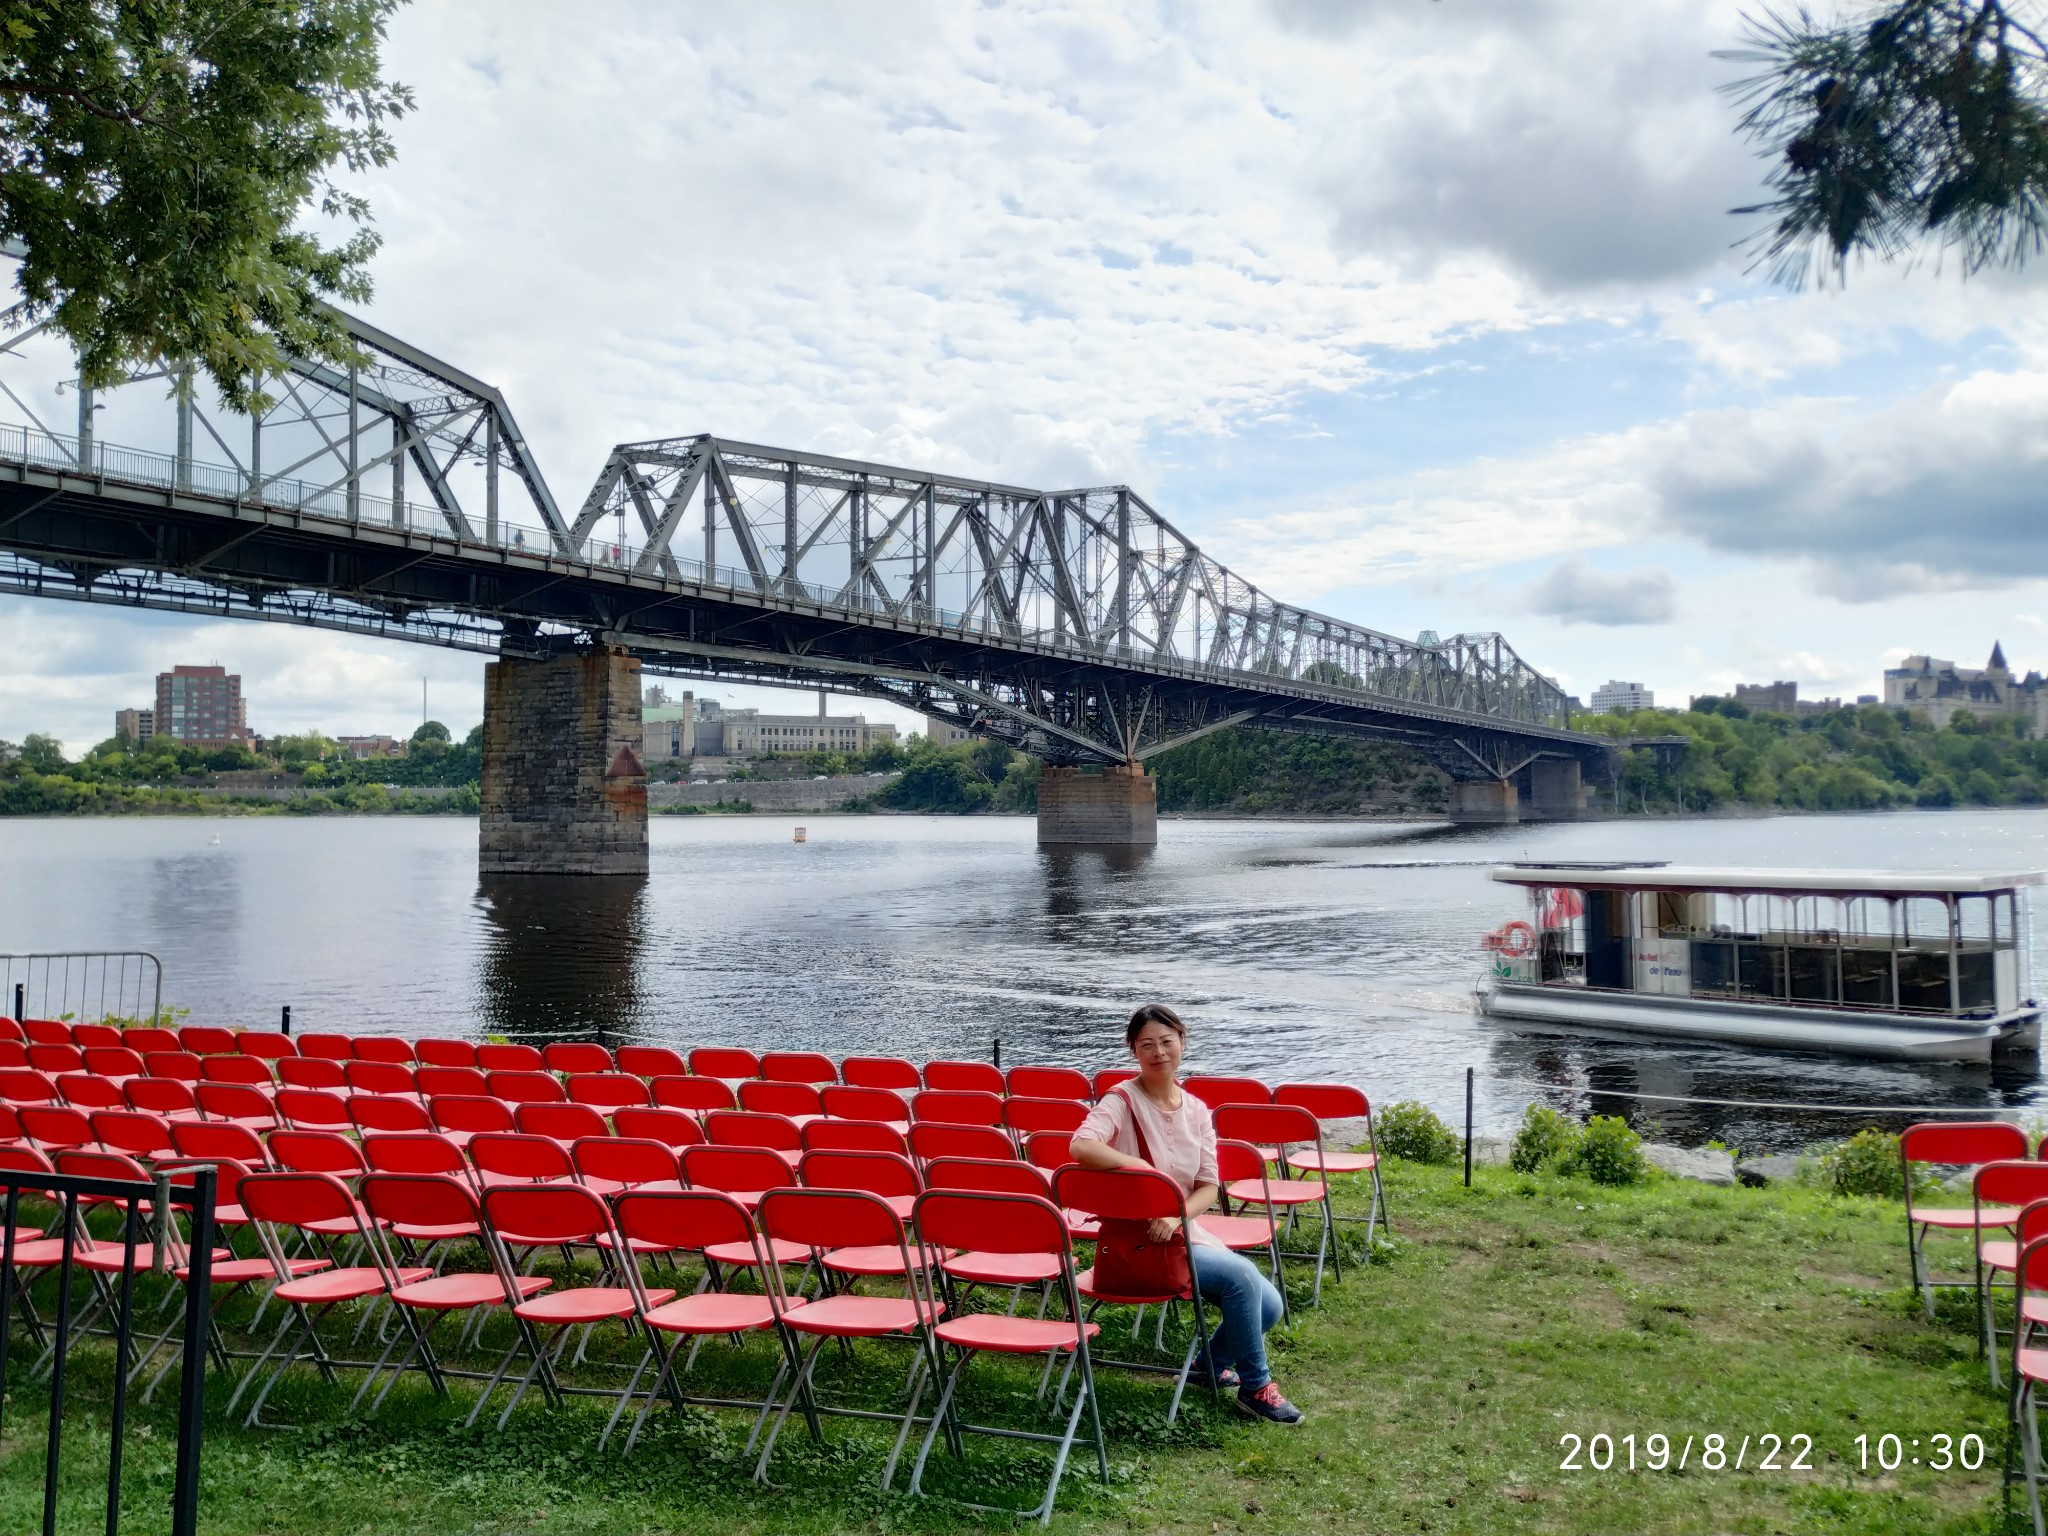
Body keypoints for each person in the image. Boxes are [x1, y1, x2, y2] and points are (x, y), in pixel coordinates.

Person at [1070, 1003, 1302, 1425]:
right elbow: (1081, 1146)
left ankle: (1208, 1366)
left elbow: (1208, 1187)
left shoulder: (1196, 1109)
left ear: (1181, 1042)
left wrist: (1177, 1216)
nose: (1158, 1052)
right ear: (1133, 1050)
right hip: (1136, 1245)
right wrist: (1137, 1168)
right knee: (1242, 1277)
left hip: (1179, 1233)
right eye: (1147, 1045)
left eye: (1166, 1041)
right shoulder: (1122, 1100)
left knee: (1270, 1307)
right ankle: (1256, 1388)